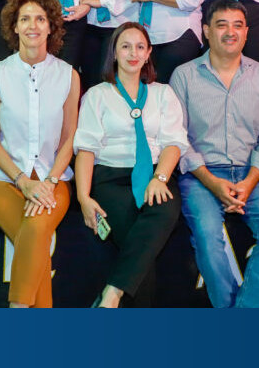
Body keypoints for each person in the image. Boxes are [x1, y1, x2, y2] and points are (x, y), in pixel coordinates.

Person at [169, 0, 259, 308]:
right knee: (207, 235)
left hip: (252, 175)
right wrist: (211, 182)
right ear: (206, 31)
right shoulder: (184, 76)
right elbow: (177, 139)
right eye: (221, 25)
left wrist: (249, 182)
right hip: (201, 175)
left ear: (247, 32)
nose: (230, 32)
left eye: (238, 26)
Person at [74, 22, 189, 308]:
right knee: (139, 247)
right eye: (125, 46)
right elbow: (86, 149)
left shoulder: (163, 93)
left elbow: (174, 143)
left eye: (140, 47)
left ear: (149, 53)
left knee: (163, 212)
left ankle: (111, 295)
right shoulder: (97, 95)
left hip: (155, 174)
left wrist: (160, 178)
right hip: (110, 178)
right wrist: (83, 197)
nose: (133, 53)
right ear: (114, 53)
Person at [0, 0, 80, 307]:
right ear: (14, 26)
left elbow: (70, 137)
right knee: (36, 242)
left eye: (40, 19)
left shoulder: (68, 75)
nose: (32, 25)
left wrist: (49, 182)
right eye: (24, 19)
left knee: (36, 232)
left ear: (51, 26)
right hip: (2, 180)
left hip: (54, 180)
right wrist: (22, 181)